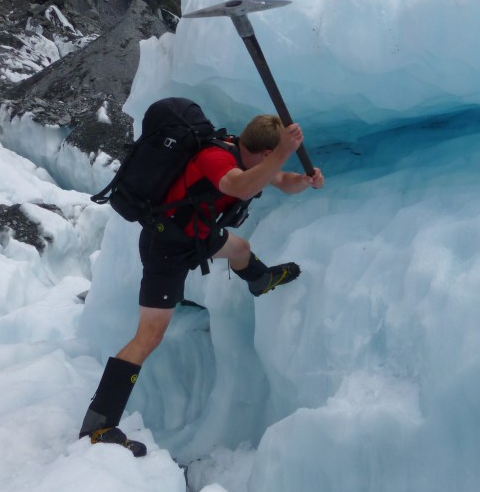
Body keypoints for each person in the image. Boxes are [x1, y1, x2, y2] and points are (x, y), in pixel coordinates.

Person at [78, 114, 324, 456]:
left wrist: (306, 180)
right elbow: (240, 186)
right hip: (166, 248)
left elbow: (281, 180)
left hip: (198, 235)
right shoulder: (217, 158)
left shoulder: (245, 156)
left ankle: (261, 281)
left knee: (239, 249)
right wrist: (285, 151)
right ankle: (98, 427)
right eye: (272, 156)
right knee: (148, 336)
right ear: (265, 152)